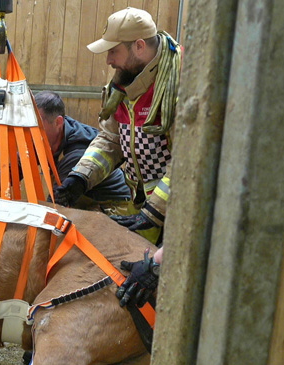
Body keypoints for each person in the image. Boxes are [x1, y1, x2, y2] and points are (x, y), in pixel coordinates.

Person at [53, 7, 182, 244]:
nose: (108, 60)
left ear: (139, 46)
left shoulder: (182, 84)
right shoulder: (124, 83)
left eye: (113, 51)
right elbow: (112, 139)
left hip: (179, 214)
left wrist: (154, 213)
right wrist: (80, 178)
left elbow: (187, 161)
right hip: (142, 209)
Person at [34, 91, 132, 213]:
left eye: (36, 123)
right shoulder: (51, 135)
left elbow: (56, 204)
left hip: (116, 207)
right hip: (88, 203)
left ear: (58, 122)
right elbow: (21, 161)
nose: (31, 129)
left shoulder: (77, 153)